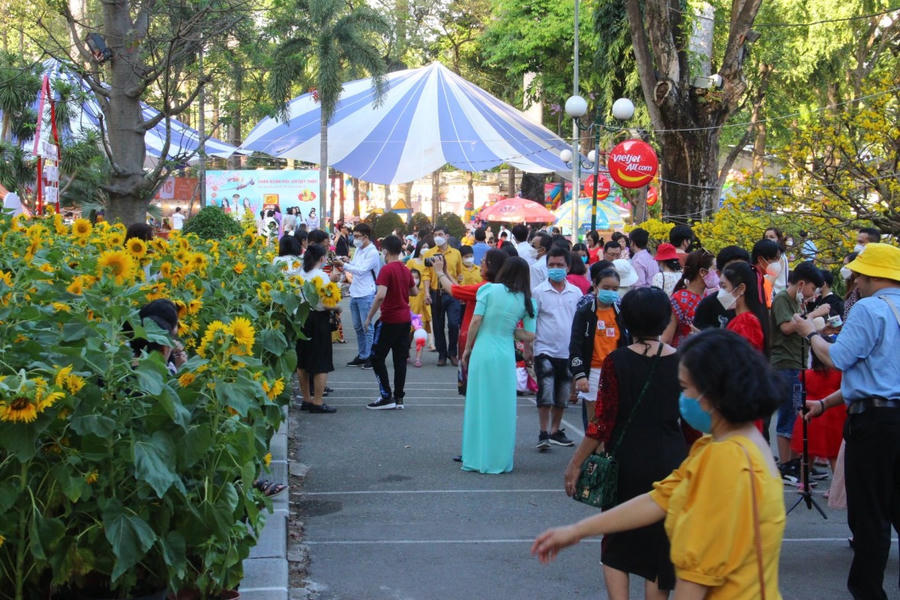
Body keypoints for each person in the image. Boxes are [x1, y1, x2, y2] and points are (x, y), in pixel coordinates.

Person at [534, 329, 786, 600]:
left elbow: (694, 578)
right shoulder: (739, 444)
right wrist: (578, 530)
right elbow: (659, 499)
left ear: (714, 393)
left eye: (686, 389)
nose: (683, 398)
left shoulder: (725, 460)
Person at [564, 287, 686, 600]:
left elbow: (602, 420)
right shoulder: (683, 361)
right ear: (665, 320)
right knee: (661, 545)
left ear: (626, 322)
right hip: (672, 457)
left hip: (627, 458)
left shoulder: (616, 361)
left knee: (617, 541)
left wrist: (576, 463)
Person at [793, 243, 900, 599]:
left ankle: (869, 592)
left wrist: (809, 332)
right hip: (890, 415)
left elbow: (839, 358)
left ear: (872, 276)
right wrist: (825, 403)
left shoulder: (870, 308)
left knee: (870, 514)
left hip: (874, 424)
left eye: (858, 273)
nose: (854, 280)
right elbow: (880, 376)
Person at [460, 257, 536, 474]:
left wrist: (467, 349)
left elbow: (476, 321)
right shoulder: (527, 300)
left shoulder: (488, 291)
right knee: (502, 407)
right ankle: (499, 459)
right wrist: (510, 329)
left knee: (478, 403)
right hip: (504, 355)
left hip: (483, 351)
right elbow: (530, 335)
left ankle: (476, 457)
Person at [769, 261, 827, 481]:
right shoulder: (784, 298)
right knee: (788, 415)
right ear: (802, 283)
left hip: (797, 362)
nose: (813, 294)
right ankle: (786, 466)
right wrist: (813, 316)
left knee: (796, 413)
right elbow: (786, 327)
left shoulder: (797, 301)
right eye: (813, 289)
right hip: (785, 363)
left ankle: (796, 463)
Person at [532, 246, 582, 450]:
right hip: (544, 348)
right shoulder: (538, 292)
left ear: (568, 267)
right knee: (545, 391)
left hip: (567, 351)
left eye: (559, 265)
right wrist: (528, 346)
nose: (555, 268)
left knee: (562, 394)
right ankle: (543, 432)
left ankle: (555, 430)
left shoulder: (576, 293)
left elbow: (579, 323)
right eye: (551, 265)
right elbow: (532, 320)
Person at [570, 267, 631, 429]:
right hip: (593, 371)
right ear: (595, 286)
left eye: (615, 289)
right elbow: (575, 344)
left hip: (615, 372)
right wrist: (580, 374)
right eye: (606, 288)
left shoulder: (622, 314)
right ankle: (594, 453)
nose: (610, 292)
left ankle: (606, 452)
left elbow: (627, 343)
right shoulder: (585, 313)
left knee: (613, 417)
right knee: (594, 421)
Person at [363, 235, 418, 410]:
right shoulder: (405, 269)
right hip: (404, 319)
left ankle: (386, 396)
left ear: (385, 250)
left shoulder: (386, 270)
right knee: (399, 359)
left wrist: (369, 317)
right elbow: (414, 292)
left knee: (376, 357)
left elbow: (380, 295)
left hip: (389, 319)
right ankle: (399, 397)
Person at [295, 245, 338, 413]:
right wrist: (338, 308)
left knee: (302, 361)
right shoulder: (321, 276)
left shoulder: (300, 273)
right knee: (321, 362)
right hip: (318, 320)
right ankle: (318, 402)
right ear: (321, 258)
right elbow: (327, 303)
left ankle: (306, 399)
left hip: (301, 317)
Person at [339, 223, 380, 369]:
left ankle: (370, 356)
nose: (354, 239)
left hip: (366, 293)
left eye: (357, 236)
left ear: (365, 237)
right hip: (355, 291)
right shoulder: (358, 249)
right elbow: (355, 266)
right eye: (353, 236)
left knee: (367, 327)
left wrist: (344, 265)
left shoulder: (372, 252)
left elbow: (361, 270)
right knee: (357, 327)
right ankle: (363, 355)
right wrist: (347, 262)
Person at [423, 227, 463, 366]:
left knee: (453, 324)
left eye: (440, 234)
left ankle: (452, 352)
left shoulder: (456, 253)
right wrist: (427, 292)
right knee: (438, 325)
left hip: (452, 293)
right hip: (436, 292)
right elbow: (426, 274)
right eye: (435, 235)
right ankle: (442, 354)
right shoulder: (429, 253)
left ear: (447, 236)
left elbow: (459, 274)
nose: (437, 237)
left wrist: (460, 288)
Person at [662, 250, 715, 348]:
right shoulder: (678, 299)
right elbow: (666, 339)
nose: (718, 274)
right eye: (715, 270)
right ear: (702, 272)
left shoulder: (710, 296)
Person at [693, 246, 751, 330]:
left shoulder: (757, 300)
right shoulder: (709, 304)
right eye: (732, 270)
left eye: (743, 269)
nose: (739, 275)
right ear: (719, 273)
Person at [720, 261, 770, 355]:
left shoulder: (746, 322)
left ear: (741, 288)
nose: (720, 292)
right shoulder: (745, 319)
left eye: (724, 286)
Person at [407, 240, 434, 350]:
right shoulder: (412, 262)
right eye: (423, 247)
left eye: (427, 247)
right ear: (418, 248)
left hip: (425, 294)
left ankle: (431, 343)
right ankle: (407, 346)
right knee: (411, 324)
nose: (425, 249)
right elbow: (406, 278)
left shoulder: (430, 262)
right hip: (413, 296)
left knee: (427, 319)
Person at [751, 238, 782, 308]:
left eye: (778, 259)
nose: (777, 263)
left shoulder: (761, 279)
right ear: (761, 260)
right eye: (774, 259)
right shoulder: (750, 279)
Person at [763, 228, 790, 296]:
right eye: (766, 237)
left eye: (772, 237)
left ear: (778, 240)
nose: (768, 239)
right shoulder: (769, 256)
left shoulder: (779, 257)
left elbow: (769, 283)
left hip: (775, 297)